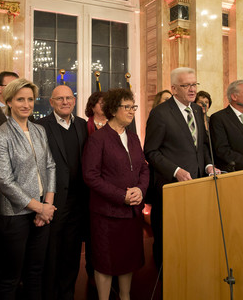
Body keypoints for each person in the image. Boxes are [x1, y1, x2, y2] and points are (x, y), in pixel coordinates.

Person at [0, 78, 56, 300]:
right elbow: (5, 181)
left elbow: (50, 165)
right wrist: (39, 208)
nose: (26, 104)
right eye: (20, 99)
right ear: (9, 101)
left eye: (30, 99)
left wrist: (47, 204)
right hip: (14, 215)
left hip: (42, 210)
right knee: (10, 276)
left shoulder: (39, 130)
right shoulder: (0, 135)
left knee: (35, 272)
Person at [82, 88, 149, 300]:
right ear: (113, 109)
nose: (131, 111)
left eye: (133, 107)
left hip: (131, 214)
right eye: (126, 107)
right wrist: (122, 195)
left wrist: (140, 189)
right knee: (106, 261)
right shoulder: (98, 139)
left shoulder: (133, 137)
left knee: (127, 259)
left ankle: (125, 296)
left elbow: (144, 168)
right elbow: (91, 176)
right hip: (106, 214)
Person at [144, 67, 214, 269]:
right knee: (169, 243)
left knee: (192, 238)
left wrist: (208, 165)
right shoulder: (160, 113)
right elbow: (150, 151)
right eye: (186, 85)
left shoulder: (198, 110)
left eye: (194, 84)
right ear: (174, 88)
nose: (192, 90)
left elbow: (201, 146)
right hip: (171, 187)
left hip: (198, 185)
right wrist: (175, 170)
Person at [36, 85, 88, 300]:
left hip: (79, 200)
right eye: (60, 99)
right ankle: (50, 293)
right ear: (51, 102)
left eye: (69, 98)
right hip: (53, 200)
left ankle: (67, 293)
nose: (65, 102)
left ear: (74, 101)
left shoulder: (83, 125)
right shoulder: (40, 126)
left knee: (72, 251)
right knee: (51, 252)